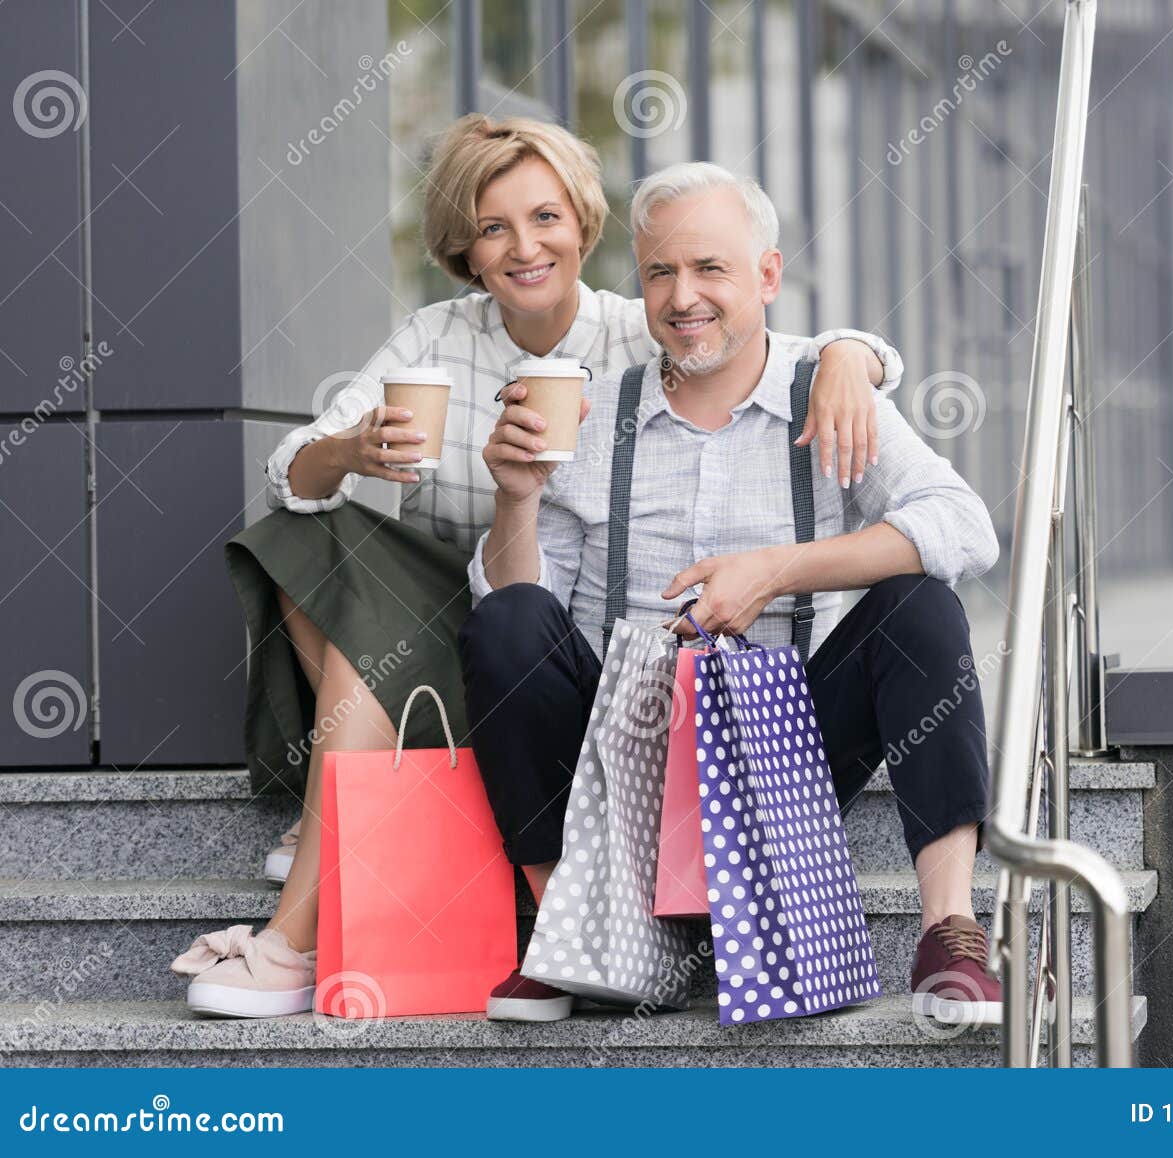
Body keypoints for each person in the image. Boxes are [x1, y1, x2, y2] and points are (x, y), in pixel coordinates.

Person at [171, 115, 906, 1019]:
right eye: (492, 228)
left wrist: (852, 355)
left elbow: (752, 328)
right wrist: (354, 449)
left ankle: (305, 902)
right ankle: (348, 794)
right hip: (448, 609)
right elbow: (294, 472)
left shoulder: (639, 329)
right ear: (464, 251)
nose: (526, 247)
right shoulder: (435, 338)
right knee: (298, 536)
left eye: (546, 216)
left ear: (582, 226)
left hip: (538, 634)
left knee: (483, 625)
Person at [460, 161, 1003, 1027]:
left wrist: (779, 569)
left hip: (786, 757)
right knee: (505, 618)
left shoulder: (827, 392)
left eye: (709, 268)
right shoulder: (593, 416)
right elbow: (523, 604)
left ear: (768, 276)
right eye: (660, 273)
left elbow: (965, 528)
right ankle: (568, 933)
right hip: (624, 759)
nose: (683, 297)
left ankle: (951, 929)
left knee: (921, 604)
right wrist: (517, 497)